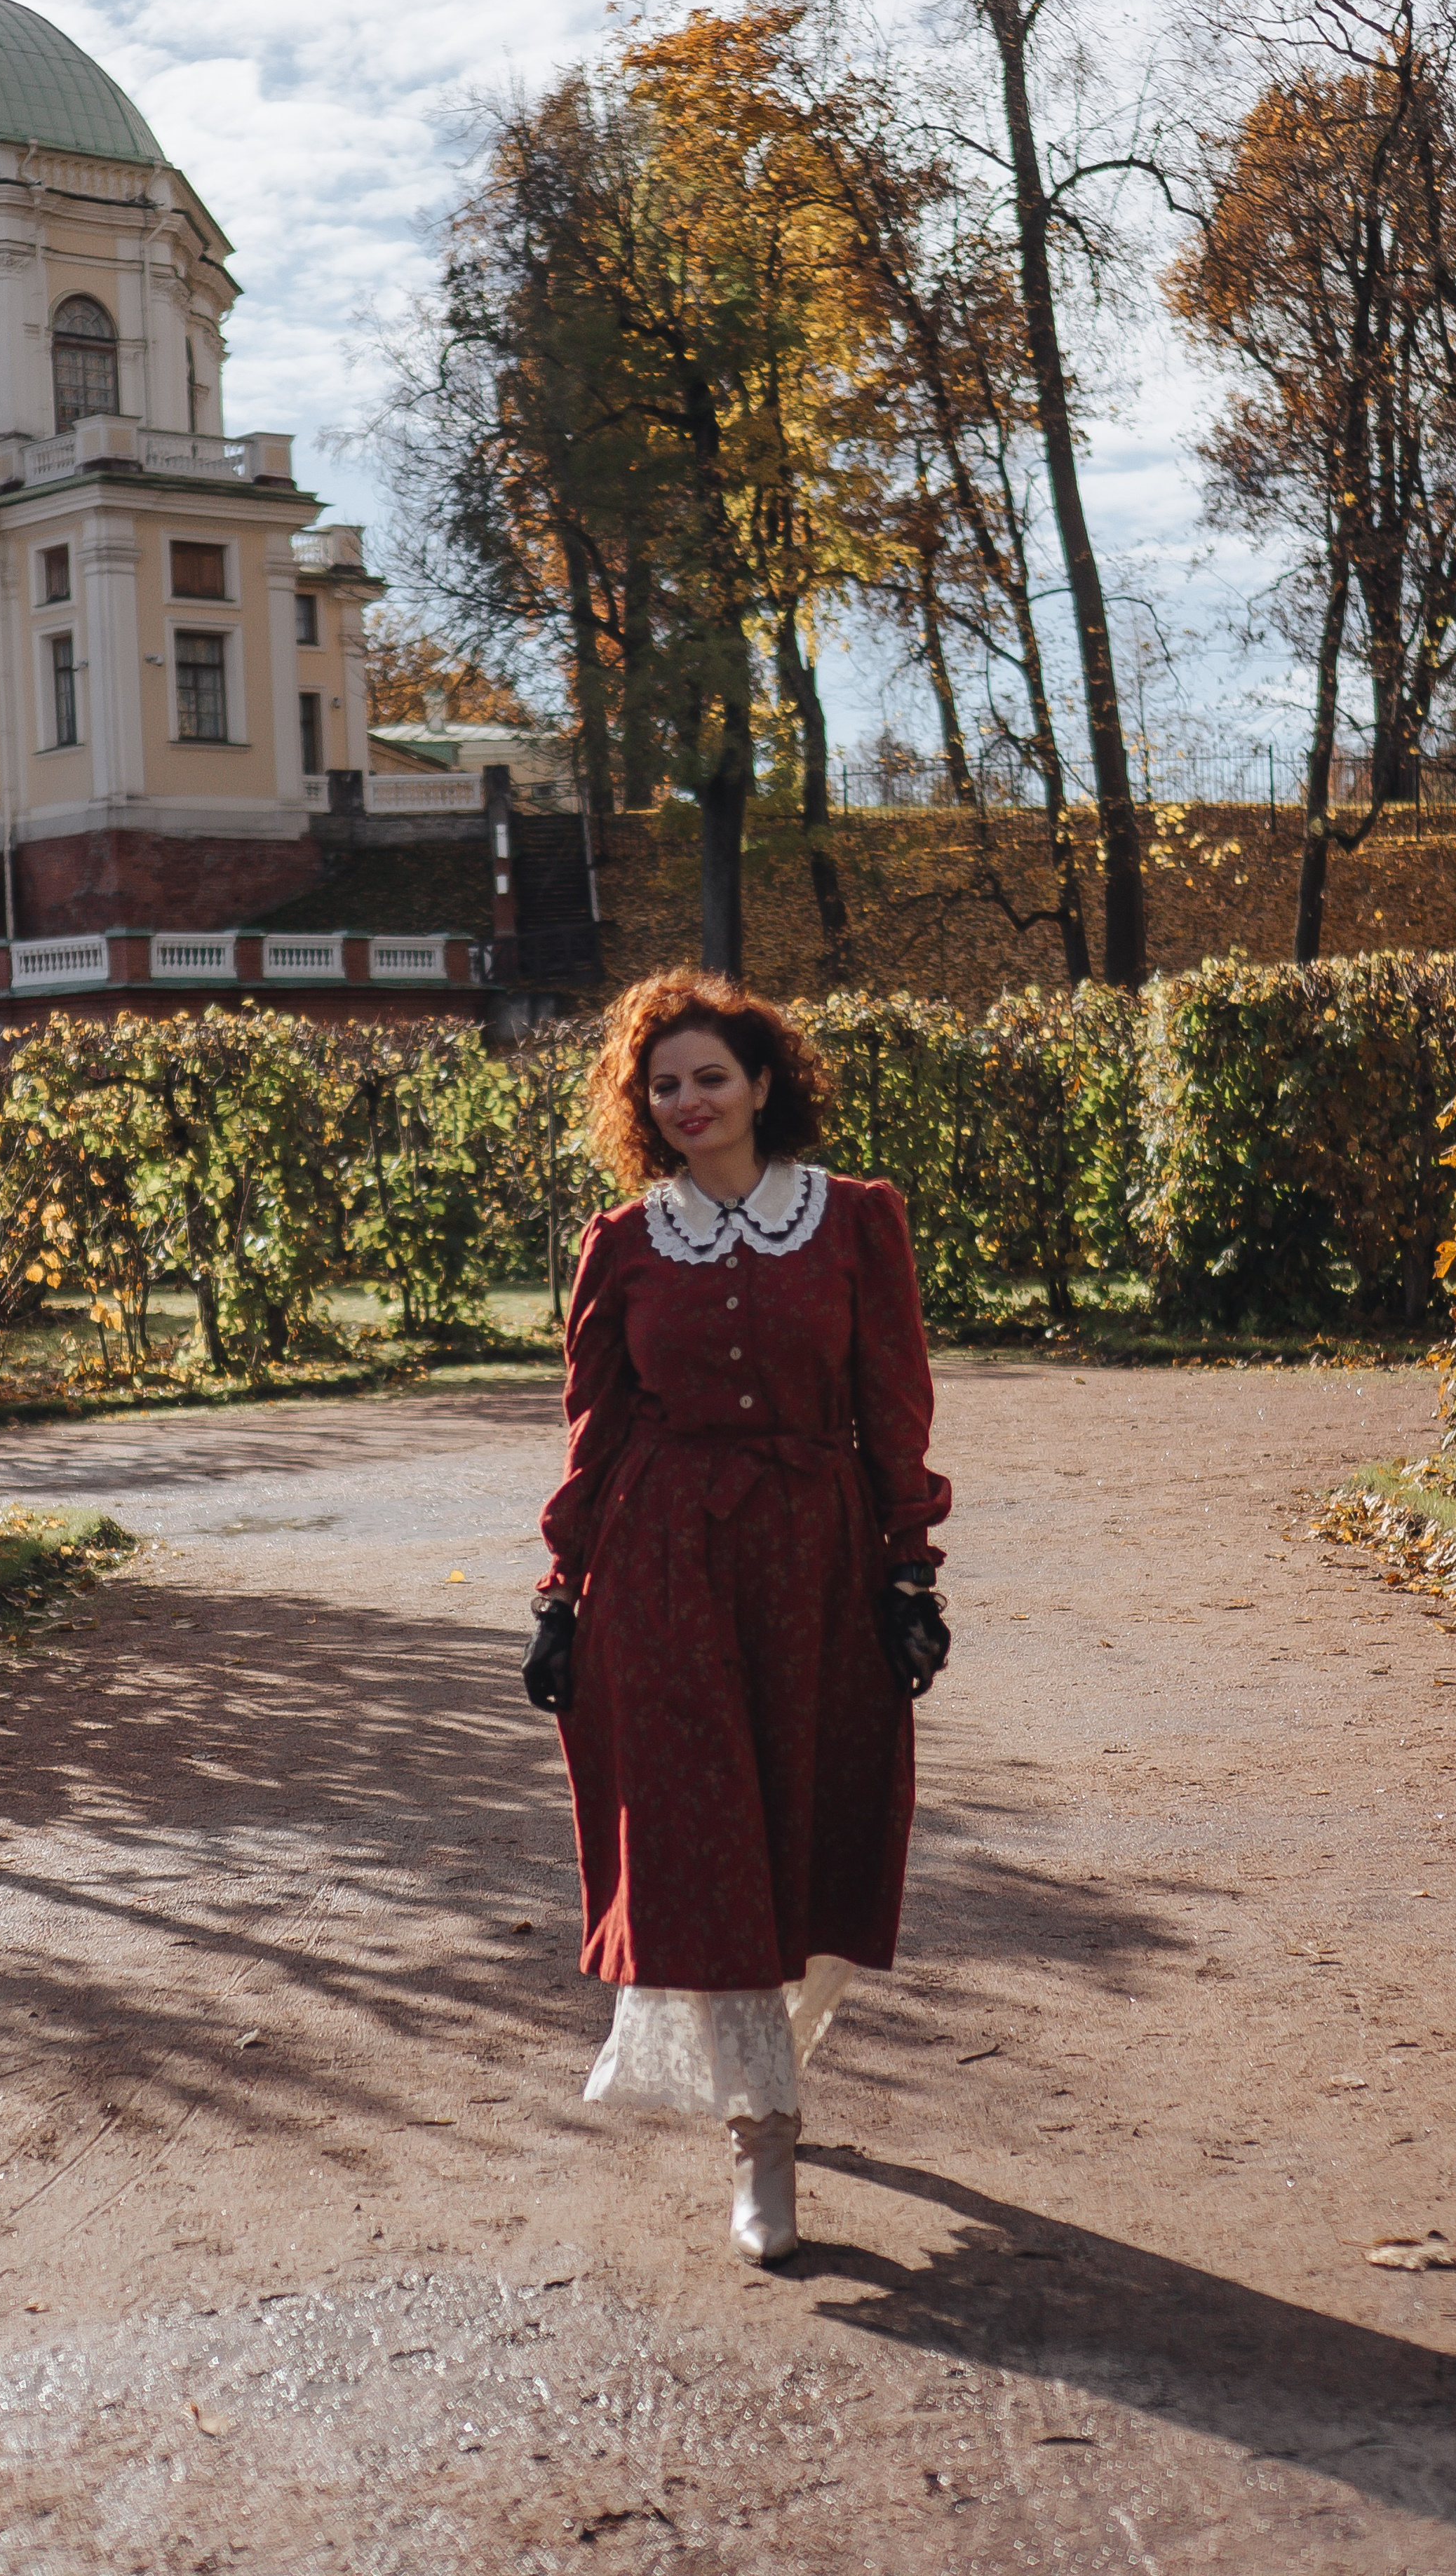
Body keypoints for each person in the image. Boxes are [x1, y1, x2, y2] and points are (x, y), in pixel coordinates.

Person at [522, 970, 952, 2264]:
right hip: (667, 1568)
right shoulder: (625, 1244)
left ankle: (778, 2053)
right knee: (703, 1844)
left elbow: (896, 1404)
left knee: (817, 1828)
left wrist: (909, 1567)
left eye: (711, 1076)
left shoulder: (856, 1225)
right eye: (664, 1085)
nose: (688, 1100)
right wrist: (562, 1591)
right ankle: (761, 2137)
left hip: (815, 1562)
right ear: (642, 1109)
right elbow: (595, 1433)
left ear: (764, 1083)